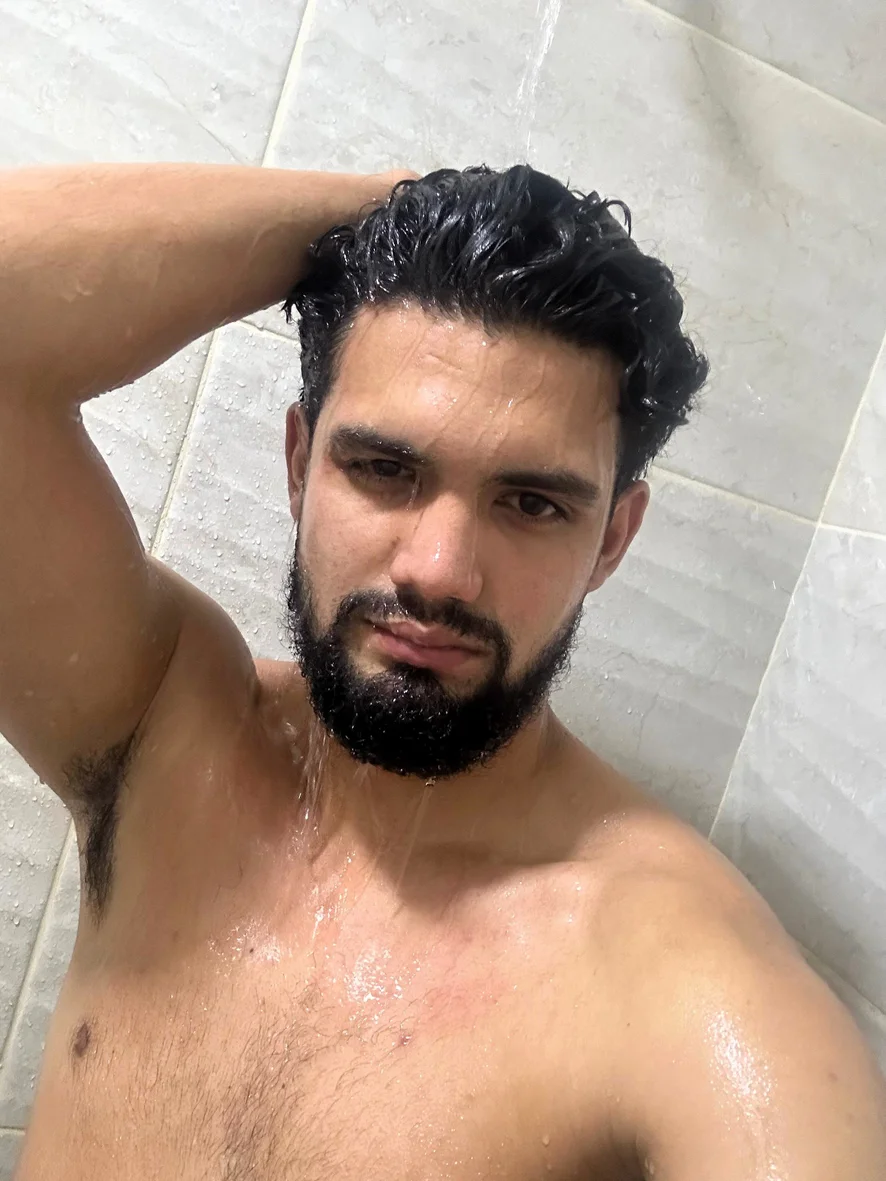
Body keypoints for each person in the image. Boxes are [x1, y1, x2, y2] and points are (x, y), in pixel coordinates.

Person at [0, 161, 883, 1181]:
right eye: (385, 468)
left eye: (532, 503)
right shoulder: (163, 734)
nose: (439, 569)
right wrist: (391, 207)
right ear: (299, 464)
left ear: (610, 539)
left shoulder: (676, 977)